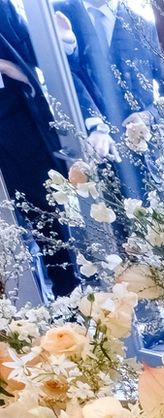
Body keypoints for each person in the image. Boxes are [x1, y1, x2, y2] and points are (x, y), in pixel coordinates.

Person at [0, 0, 78, 297]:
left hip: (22, 130)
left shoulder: (4, 6)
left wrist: (63, 40)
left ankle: (68, 305)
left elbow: (32, 51)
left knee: (49, 225)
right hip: (13, 124)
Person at [53, 0, 164, 200]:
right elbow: (59, 76)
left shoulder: (144, 26)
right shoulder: (57, 15)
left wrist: (148, 115)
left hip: (143, 161)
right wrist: (96, 126)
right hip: (87, 158)